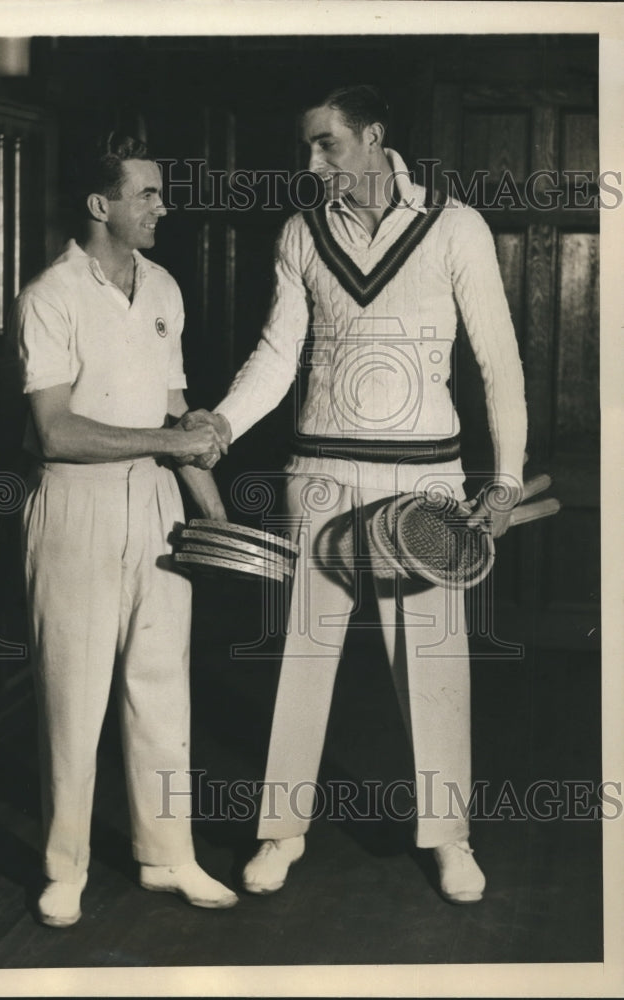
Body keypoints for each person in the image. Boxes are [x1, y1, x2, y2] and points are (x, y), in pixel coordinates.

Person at [184, 85, 527, 904]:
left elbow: (498, 362)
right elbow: (276, 356)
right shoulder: (300, 233)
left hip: (427, 484)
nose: (312, 163)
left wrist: (507, 478)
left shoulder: (455, 226)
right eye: (307, 146)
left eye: (326, 145)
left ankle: (449, 838)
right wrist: (219, 429)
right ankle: (280, 832)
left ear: (374, 138)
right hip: (321, 479)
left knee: (433, 664)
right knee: (303, 660)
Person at [11, 131, 237, 928]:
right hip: (76, 508)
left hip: (159, 508)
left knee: (161, 688)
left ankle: (168, 857)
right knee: (74, 699)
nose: (161, 206)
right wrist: (172, 442)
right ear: (99, 204)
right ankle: (63, 867)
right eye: (146, 193)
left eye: (160, 192)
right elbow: (54, 432)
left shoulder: (165, 287)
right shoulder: (50, 294)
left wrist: (219, 520)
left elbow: (176, 410)